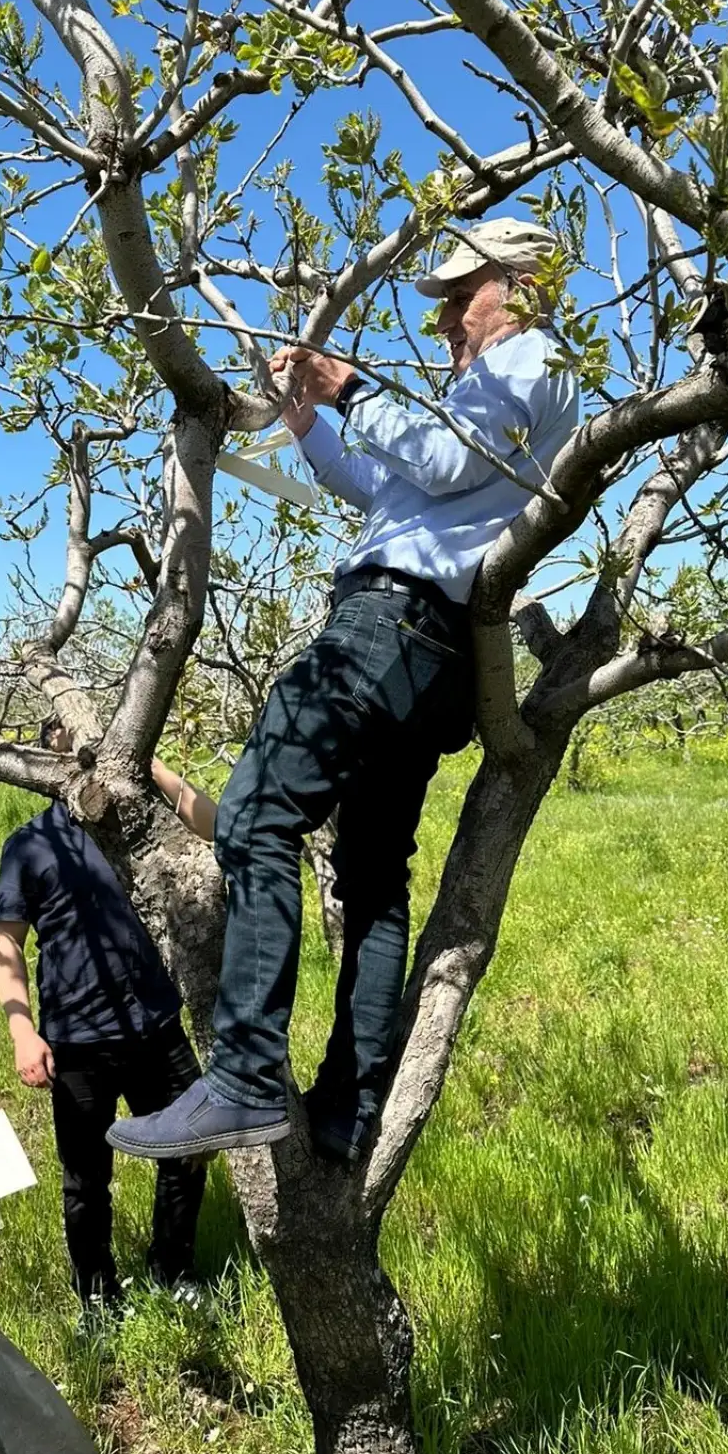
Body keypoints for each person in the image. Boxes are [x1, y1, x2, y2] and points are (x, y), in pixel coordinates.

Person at [109, 217, 581, 1166]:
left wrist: (349, 383)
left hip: (387, 627)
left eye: (461, 293)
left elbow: (441, 462)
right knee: (371, 876)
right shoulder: (486, 394)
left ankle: (243, 1078)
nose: (447, 315)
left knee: (254, 816)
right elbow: (382, 488)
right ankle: (347, 1107)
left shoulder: (532, 362)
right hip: (432, 654)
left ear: (519, 285)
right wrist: (308, 421)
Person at [0, 721, 205, 1315]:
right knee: (87, 1180)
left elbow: (217, 826)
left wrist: (151, 768)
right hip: (79, 1039)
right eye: (67, 743)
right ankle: (99, 1301)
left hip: (156, 1023)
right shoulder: (32, 845)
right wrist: (21, 1029)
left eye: (96, 739)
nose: (84, 752)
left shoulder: (139, 825)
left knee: (190, 1147)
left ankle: (173, 1269)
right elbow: (6, 944)